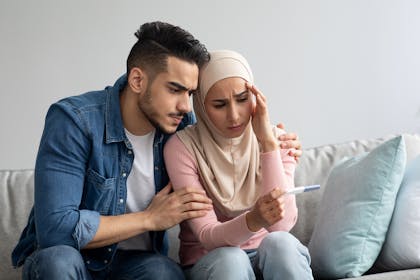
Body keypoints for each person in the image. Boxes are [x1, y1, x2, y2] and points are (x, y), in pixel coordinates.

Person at [11, 21, 302, 279]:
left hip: (137, 263)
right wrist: (149, 219)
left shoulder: (181, 129)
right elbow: (56, 230)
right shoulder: (74, 121)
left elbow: (230, 136)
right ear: (138, 80)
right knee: (58, 260)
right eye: (175, 90)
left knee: (163, 272)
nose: (186, 107)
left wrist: (274, 145)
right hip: (71, 260)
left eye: (190, 93)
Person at [164, 50, 313, 279]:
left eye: (242, 99)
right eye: (219, 105)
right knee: (230, 258)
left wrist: (267, 144)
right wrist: (254, 219)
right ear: (202, 107)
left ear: (254, 98)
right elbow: (206, 235)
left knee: (281, 243)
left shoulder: (276, 139)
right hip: (212, 262)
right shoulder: (182, 148)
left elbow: (281, 225)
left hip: (267, 257)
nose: (234, 116)